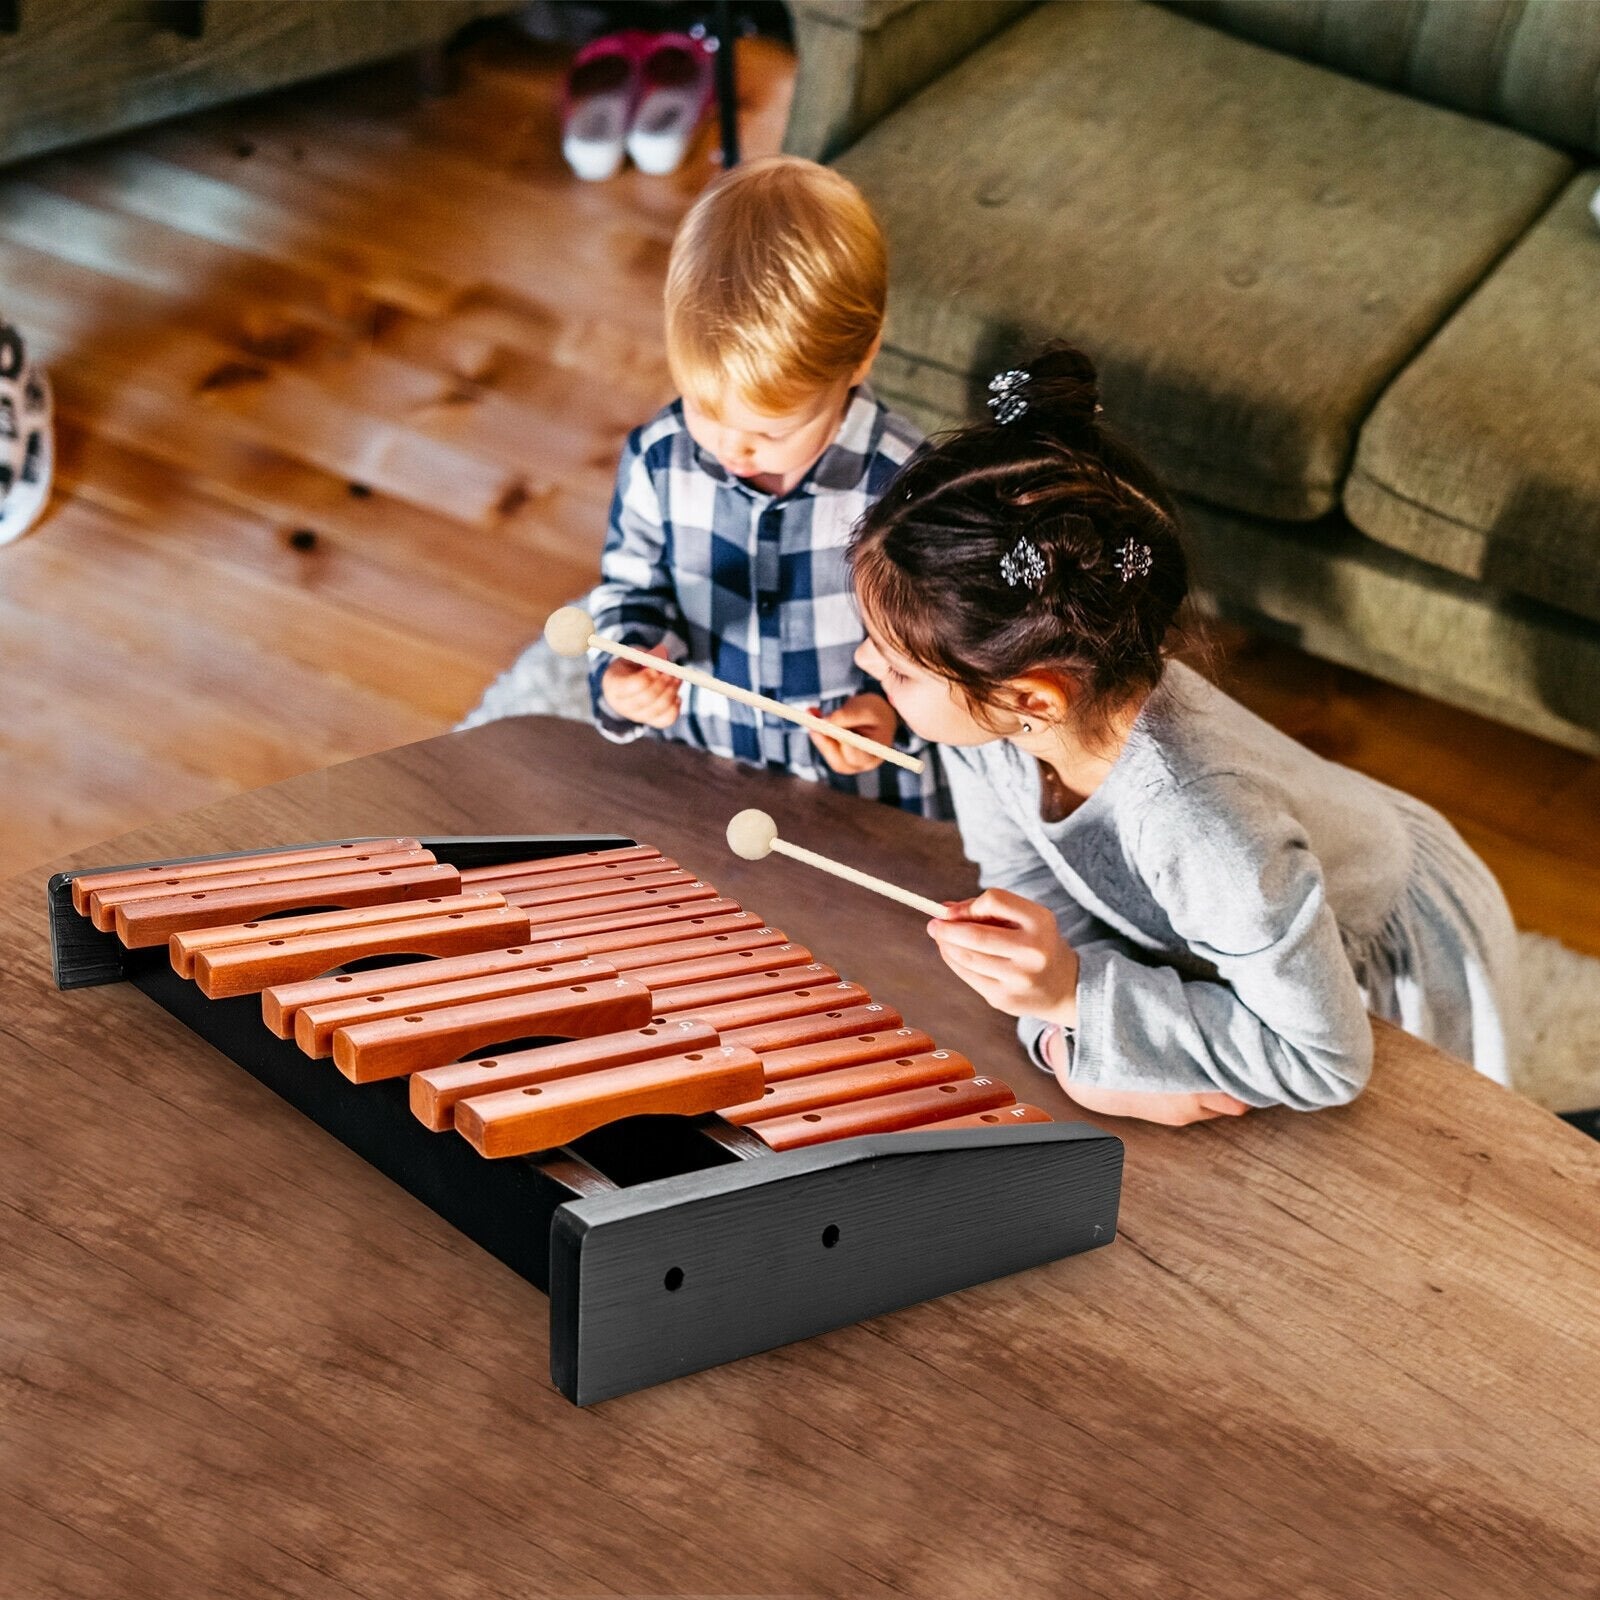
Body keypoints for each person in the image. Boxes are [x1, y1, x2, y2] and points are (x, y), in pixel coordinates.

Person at [847, 345, 1518, 1123]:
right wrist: (1061, 1024)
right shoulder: (995, 724)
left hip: (1372, 964)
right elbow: (1023, 875)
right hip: (1233, 924)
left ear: (1032, 696)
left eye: (896, 669)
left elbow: (1326, 1061)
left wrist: (1075, 997)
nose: (865, 662)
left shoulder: (1202, 825)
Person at [463, 155, 944, 816]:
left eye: (772, 432)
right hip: (706, 770)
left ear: (860, 358)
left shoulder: (907, 481)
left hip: (857, 792)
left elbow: (943, 643)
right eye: (704, 409)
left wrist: (886, 709)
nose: (732, 446)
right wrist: (624, 672)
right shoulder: (660, 459)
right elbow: (632, 592)